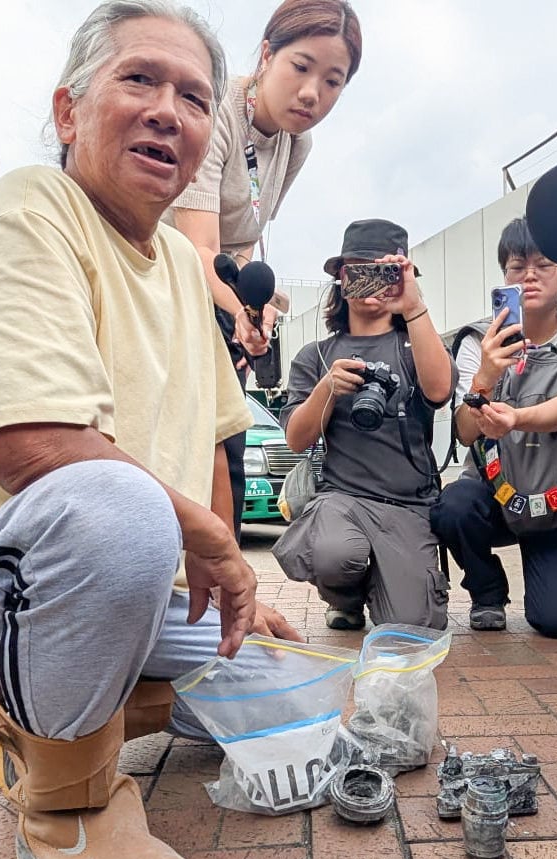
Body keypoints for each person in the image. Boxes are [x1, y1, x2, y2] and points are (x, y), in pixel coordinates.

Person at [0, 1, 298, 859]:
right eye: (138, 81)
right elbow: (31, 445)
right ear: (69, 112)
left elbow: (221, 445)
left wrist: (230, 582)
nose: (167, 111)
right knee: (114, 503)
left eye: (193, 97)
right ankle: (67, 806)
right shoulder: (33, 209)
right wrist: (211, 542)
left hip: (116, 582)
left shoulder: (190, 274)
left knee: (268, 674)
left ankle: (41, 715)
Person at [168, 0, 360, 533]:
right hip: (162, 281)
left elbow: (243, 243)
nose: (312, 93)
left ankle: (220, 584)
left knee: (225, 439)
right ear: (267, 54)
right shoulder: (216, 112)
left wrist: (253, 315)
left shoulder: (298, 143)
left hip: (217, 294)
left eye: (333, 81)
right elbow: (198, 248)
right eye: (301, 67)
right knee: (177, 445)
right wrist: (243, 312)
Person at [433, 219, 557, 638]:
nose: (530, 275)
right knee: (453, 506)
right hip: (495, 496)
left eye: (544, 264)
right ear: (504, 276)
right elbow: (465, 432)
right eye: (517, 267)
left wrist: (515, 418)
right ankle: (486, 591)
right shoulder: (477, 341)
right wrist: (485, 374)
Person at [273, 219, 455, 631]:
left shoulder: (417, 342)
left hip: (409, 504)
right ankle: (346, 596)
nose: (372, 282)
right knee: (335, 554)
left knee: (414, 625)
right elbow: (296, 440)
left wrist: (412, 306)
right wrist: (328, 388)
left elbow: (440, 391)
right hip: (342, 497)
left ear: (402, 275)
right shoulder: (315, 355)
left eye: (385, 271)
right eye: (359, 269)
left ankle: (388, 583)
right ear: (341, 277)